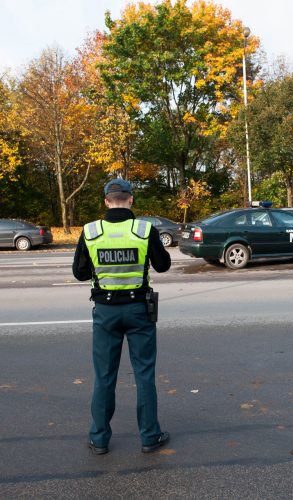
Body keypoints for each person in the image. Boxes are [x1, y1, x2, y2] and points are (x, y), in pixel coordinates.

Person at [72, 178, 171, 455]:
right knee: (144, 375)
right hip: (139, 310)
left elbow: (79, 273)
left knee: (104, 376)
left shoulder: (90, 232)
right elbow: (163, 266)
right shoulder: (144, 230)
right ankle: (150, 437)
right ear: (131, 200)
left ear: (106, 201)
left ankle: (99, 438)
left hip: (105, 312)